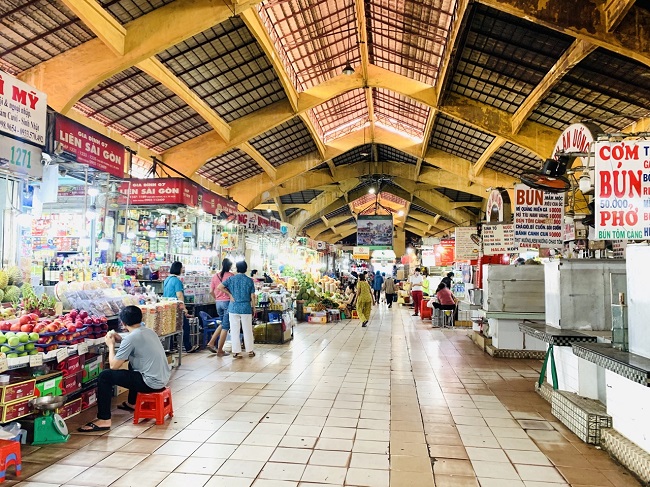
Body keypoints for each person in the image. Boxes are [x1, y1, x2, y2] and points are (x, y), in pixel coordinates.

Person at [77, 306, 170, 432]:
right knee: (133, 364)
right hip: (162, 379)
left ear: (123, 323)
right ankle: (133, 402)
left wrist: (111, 345)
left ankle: (104, 419)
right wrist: (119, 338)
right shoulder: (148, 331)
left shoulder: (131, 338)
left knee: (105, 376)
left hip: (150, 383)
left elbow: (114, 366)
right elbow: (132, 339)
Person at [218, 261, 257, 359]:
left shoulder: (231, 279)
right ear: (246, 269)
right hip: (245, 307)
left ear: (237, 268)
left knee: (234, 330)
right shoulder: (249, 280)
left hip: (233, 307)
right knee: (247, 329)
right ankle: (250, 350)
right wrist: (254, 307)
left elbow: (220, 287)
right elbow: (252, 295)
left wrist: (230, 295)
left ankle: (236, 352)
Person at [163, 261, 198, 353]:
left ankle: (169, 347)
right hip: (176, 307)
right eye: (182, 268)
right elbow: (179, 295)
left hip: (168, 306)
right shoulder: (177, 281)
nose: (183, 269)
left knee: (170, 328)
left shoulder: (167, 280)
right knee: (185, 327)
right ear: (178, 268)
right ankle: (188, 347)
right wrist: (184, 308)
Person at [206, 258, 234, 356]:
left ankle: (211, 343)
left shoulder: (215, 276)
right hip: (227, 302)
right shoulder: (231, 276)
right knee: (225, 326)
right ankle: (219, 350)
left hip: (218, 303)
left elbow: (210, 291)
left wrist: (217, 298)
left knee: (223, 324)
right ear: (230, 266)